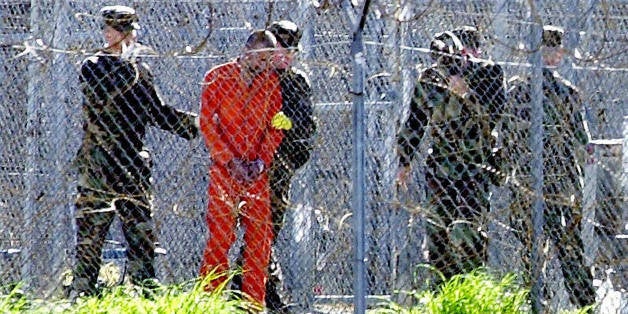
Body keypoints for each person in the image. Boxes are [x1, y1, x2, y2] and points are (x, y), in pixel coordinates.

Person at [71, 5, 198, 297]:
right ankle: (83, 292)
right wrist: (127, 66)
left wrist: (194, 126)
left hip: (131, 162)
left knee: (140, 233)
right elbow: (102, 97)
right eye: (119, 32)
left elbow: (156, 110)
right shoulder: (94, 66)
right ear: (112, 34)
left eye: (127, 32)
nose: (127, 38)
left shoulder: (140, 69)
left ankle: (146, 291)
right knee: (92, 233)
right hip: (99, 162)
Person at [396, 30, 505, 281]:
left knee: (468, 231)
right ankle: (442, 292)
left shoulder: (488, 73)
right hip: (441, 166)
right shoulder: (432, 78)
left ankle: (473, 286)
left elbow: (495, 115)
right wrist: (404, 162)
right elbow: (415, 120)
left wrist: (466, 93)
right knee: (438, 233)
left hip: (475, 165)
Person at [506, 25, 596, 308]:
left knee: (532, 247)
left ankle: (538, 302)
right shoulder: (567, 93)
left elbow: (507, 137)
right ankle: (585, 305)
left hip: (528, 181)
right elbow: (584, 141)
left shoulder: (518, 91)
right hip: (561, 184)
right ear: (556, 55)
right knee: (568, 246)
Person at [198, 29, 288, 308]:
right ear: (247, 51)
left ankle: (252, 305)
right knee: (220, 238)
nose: (264, 65)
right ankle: (209, 304)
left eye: (269, 59)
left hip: (255, 172)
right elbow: (206, 123)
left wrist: (262, 160)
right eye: (260, 58)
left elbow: (276, 126)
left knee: (259, 241)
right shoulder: (218, 77)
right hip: (226, 171)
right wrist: (228, 159)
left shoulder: (271, 83)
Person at [232, 20, 316, 312]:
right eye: (282, 48)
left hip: (278, 170)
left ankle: (251, 292)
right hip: (246, 167)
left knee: (267, 233)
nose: (287, 56)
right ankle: (256, 293)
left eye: (291, 50)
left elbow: (306, 129)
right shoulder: (250, 78)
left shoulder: (295, 82)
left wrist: (287, 126)